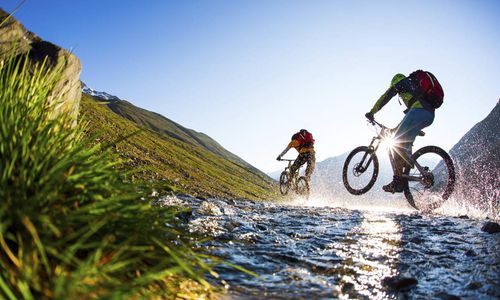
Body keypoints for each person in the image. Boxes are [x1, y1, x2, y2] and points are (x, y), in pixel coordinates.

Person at [365, 71, 438, 193]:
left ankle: (397, 182)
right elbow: (408, 118)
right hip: (428, 115)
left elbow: (385, 97)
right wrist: (395, 129)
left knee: (396, 145)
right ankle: (408, 165)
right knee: (403, 141)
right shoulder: (414, 91)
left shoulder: (400, 83)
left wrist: (372, 112)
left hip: (418, 112)